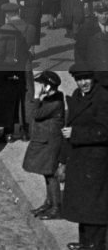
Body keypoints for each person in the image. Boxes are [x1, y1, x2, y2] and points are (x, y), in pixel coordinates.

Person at [62, 63, 108, 250]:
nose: (83, 83)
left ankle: (95, 245)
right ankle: (84, 243)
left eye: (86, 79)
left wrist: (76, 134)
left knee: (95, 207)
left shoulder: (103, 98)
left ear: (93, 78)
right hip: (80, 159)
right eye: (79, 79)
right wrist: (62, 159)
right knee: (83, 204)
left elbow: (104, 131)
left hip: (96, 161)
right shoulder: (77, 95)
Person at [25, 70, 65, 220]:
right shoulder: (51, 98)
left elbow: (35, 114)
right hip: (45, 141)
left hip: (50, 143)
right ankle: (48, 203)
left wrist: (36, 97)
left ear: (48, 86)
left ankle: (55, 208)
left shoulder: (55, 102)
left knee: (50, 174)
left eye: (42, 84)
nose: (39, 87)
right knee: (46, 173)